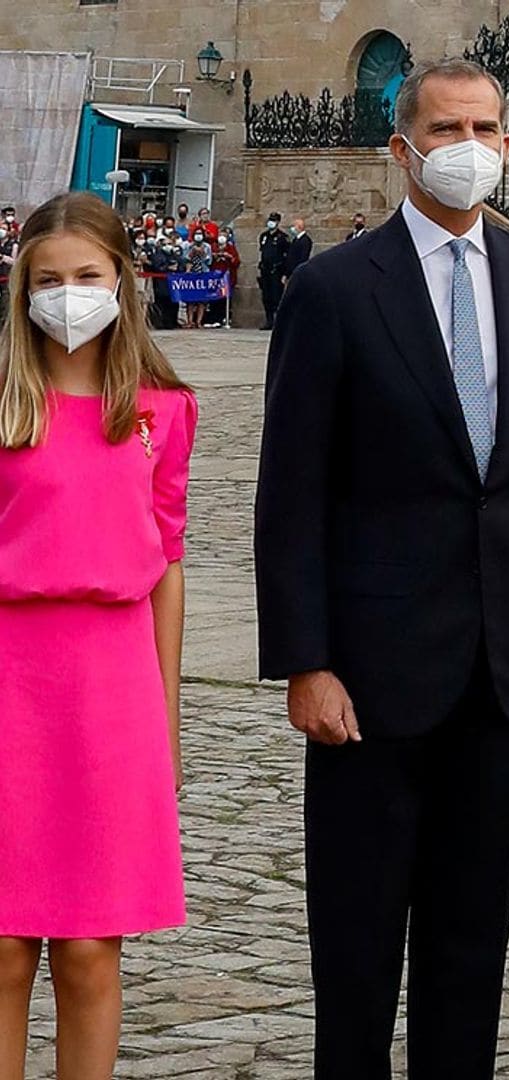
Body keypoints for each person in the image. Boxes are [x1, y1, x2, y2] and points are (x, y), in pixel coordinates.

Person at [255, 57, 509, 1080]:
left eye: (487, 128)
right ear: (402, 148)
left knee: (469, 941)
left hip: (494, 668)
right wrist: (306, 660)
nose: (469, 148)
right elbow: (292, 491)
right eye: (447, 130)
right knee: (357, 948)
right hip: (371, 670)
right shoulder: (334, 288)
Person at [0, 191, 195, 1079]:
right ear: (21, 289)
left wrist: (169, 716)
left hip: (112, 689)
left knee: (88, 951)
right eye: (49, 279)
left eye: (86, 276)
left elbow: (168, 568)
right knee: (2, 948)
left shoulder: (161, 409)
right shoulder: (5, 401)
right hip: (9, 679)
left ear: (121, 280)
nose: (68, 294)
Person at [257, 211, 290, 330]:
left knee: (277, 296)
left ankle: (278, 321)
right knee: (266, 297)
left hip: (276, 271)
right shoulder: (264, 236)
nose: (271, 223)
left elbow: (286, 256)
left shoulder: (282, 238)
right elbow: (263, 252)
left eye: (274, 220)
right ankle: (269, 321)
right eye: (270, 220)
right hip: (265, 271)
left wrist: (285, 273)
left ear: (278, 222)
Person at [207, 233, 239, 328]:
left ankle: (224, 318)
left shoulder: (231, 248)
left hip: (226, 277)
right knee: (214, 298)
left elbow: (236, 262)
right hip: (215, 277)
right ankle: (213, 319)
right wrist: (215, 256)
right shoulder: (213, 247)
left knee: (225, 299)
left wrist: (229, 256)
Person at [184, 228, 213, 329]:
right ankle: (190, 321)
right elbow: (185, 259)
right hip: (192, 273)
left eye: (200, 234)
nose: (198, 235)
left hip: (203, 273)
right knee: (190, 300)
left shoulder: (207, 247)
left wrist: (202, 253)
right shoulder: (189, 245)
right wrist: (192, 252)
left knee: (202, 300)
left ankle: (199, 322)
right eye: (196, 233)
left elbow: (209, 262)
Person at [282, 217, 313, 286]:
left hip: (296, 273)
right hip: (291, 272)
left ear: (299, 227)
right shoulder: (296, 240)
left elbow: (302, 258)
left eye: (294, 225)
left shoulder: (305, 241)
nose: (292, 228)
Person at [0, 222, 17, 325]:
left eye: (3, 228)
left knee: (5, 306)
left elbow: (15, 261)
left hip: (6, 279)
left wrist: (3, 258)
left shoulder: (13, 245)